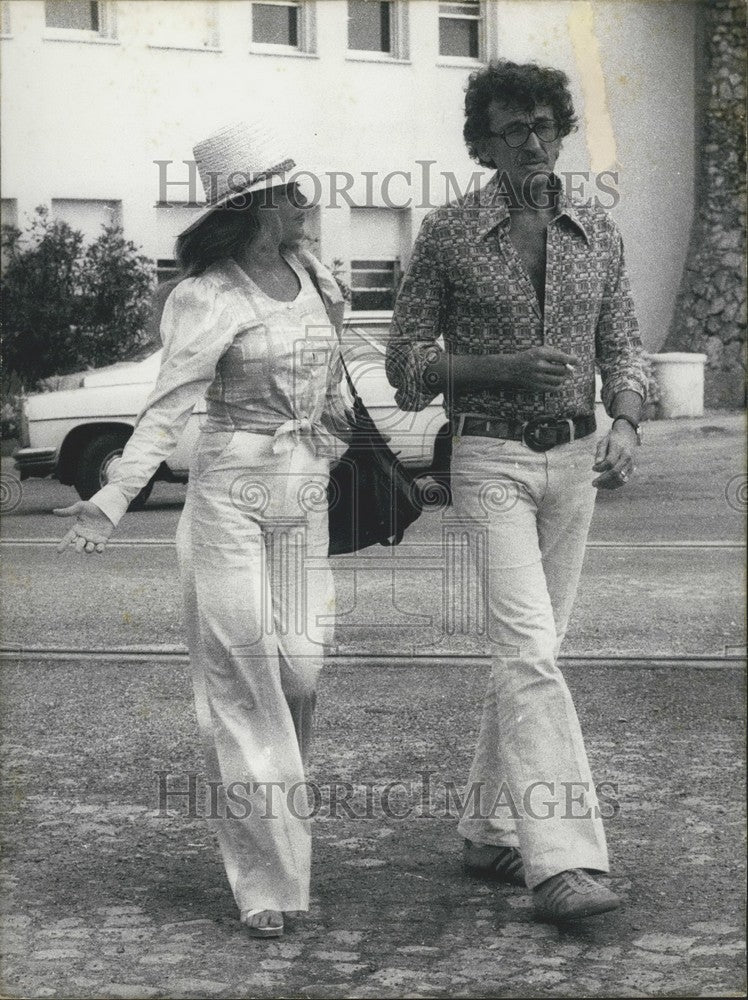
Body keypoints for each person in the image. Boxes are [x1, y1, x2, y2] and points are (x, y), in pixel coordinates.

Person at [55, 121, 349, 939]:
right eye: (294, 188)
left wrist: (330, 447)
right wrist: (113, 498)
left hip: (303, 501)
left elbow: (334, 394)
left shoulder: (315, 276)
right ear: (257, 203)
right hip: (227, 507)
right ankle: (269, 880)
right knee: (244, 684)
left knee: (300, 676)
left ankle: (281, 828)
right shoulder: (207, 296)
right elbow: (166, 407)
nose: (309, 200)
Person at [386, 60, 647, 923]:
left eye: (544, 125)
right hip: (490, 460)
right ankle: (562, 862)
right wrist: (497, 367)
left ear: (562, 128)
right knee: (530, 652)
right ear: (482, 142)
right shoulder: (450, 233)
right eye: (512, 130)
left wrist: (630, 421)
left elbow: (625, 344)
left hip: (575, 466)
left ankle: (488, 830)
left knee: (530, 657)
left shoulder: (598, 232)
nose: (533, 143)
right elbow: (405, 367)